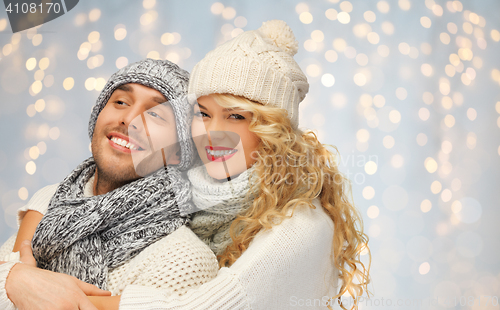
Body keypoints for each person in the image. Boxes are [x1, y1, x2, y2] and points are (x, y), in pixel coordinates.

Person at [3, 20, 369, 310]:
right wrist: (19, 270)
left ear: (273, 130)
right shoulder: (184, 192)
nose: (213, 134)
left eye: (237, 117)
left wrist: (31, 284)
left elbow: (206, 306)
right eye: (204, 114)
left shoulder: (301, 225)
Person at [0, 59, 218, 310]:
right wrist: (14, 279)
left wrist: (16, 280)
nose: (130, 119)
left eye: (156, 114)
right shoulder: (51, 200)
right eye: (121, 102)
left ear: (180, 152)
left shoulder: (184, 260)